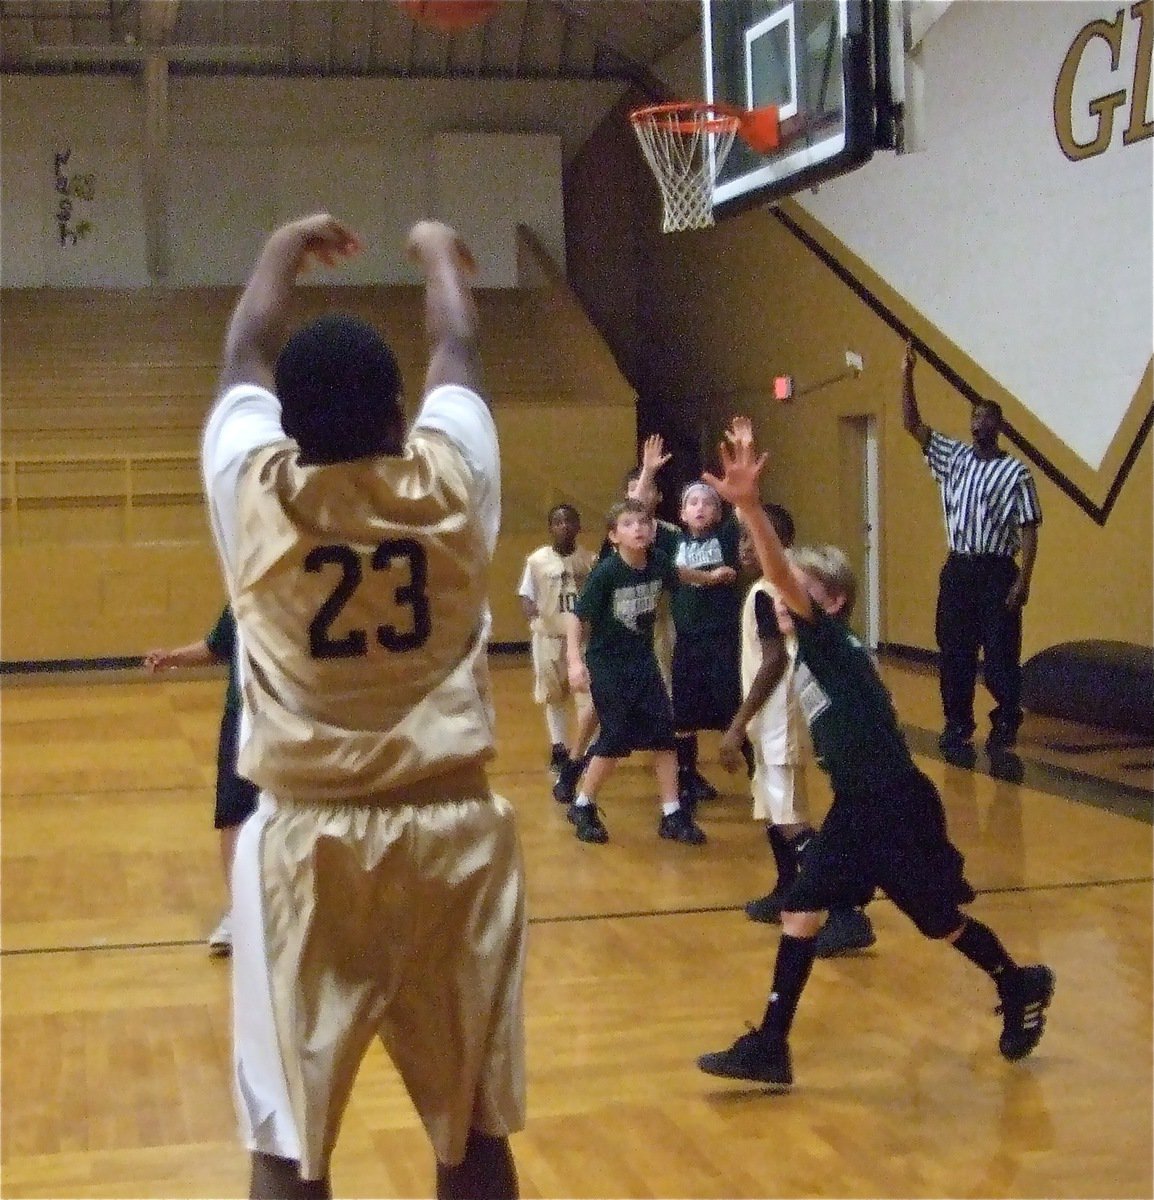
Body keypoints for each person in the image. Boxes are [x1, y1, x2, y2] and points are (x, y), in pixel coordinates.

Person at [200, 213, 525, 1200]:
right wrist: (432, 250)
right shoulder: (453, 485)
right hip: (455, 833)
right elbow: (458, 347)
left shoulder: (254, 496)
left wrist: (279, 248)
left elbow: (241, 352)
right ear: (398, 413)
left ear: (284, 424)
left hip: (304, 846)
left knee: (287, 1146)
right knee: (471, 1137)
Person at [696, 417, 1055, 1088]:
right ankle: (772, 1046)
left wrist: (748, 508)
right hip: (866, 804)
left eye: (795, 590)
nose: (779, 596)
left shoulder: (831, 643)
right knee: (806, 907)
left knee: (937, 923)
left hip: (892, 806)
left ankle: (1020, 980)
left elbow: (777, 571)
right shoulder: (816, 648)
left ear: (827, 600)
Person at [718, 506, 876, 957]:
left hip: (776, 714)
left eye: (753, 539)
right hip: (771, 716)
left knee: (789, 817)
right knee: (773, 808)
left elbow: (775, 662)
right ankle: (790, 889)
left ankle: (847, 911)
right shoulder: (769, 589)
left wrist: (736, 725)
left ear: (778, 540)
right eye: (742, 540)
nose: (744, 547)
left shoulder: (771, 593)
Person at [561, 498, 736, 846]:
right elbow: (577, 617)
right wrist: (574, 662)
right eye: (628, 524)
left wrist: (710, 577)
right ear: (614, 536)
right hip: (609, 664)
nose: (638, 528)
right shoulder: (607, 573)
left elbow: (679, 574)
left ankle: (671, 813)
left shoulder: (656, 562)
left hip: (643, 662)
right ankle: (583, 803)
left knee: (663, 736)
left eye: (643, 522)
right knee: (616, 737)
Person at [901, 342, 1042, 760]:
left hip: (998, 570)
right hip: (959, 569)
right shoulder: (953, 458)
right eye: (974, 416)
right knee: (954, 652)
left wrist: (1024, 579)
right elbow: (913, 424)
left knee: (1000, 657)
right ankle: (957, 722)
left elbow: (1030, 528)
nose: (978, 422)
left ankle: (1005, 717)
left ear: (999, 426)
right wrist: (906, 373)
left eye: (986, 417)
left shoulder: (1015, 471)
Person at [143, 604, 258, 956]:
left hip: (288, 717)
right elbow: (215, 646)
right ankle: (242, 911)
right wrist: (172, 657)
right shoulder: (242, 593)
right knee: (234, 816)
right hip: (242, 717)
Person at [669, 480, 744, 810]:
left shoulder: (726, 537)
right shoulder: (673, 541)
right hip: (686, 640)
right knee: (683, 714)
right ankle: (686, 778)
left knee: (733, 706)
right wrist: (650, 472)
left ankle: (760, 776)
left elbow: (745, 510)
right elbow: (637, 508)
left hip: (722, 639)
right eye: (693, 503)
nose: (699, 507)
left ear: (718, 513)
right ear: (682, 513)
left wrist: (735, 482)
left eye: (708, 503)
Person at [516, 503, 597, 779]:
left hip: (583, 639)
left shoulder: (590, 560)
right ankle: (559, 747)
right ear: (550, 527)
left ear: (578, 526)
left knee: (587, 696)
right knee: (554, 694)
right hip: (549, 636)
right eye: (558, 521)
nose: (563, 526)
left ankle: (589, 751)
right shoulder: (537, 561)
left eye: (569, 521)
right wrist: (530, 610)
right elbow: (526, 594)